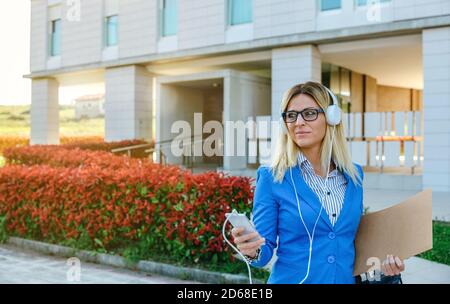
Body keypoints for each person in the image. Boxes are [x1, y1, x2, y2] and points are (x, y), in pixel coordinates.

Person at [231, 82, 405, 284]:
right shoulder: (272, 177)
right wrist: (252, 250)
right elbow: (263, 254)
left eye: (310, 113)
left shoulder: (354, 174)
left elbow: (352, 241)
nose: (299, 122)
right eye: (291, 115)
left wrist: (384, 262)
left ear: (332, 118)